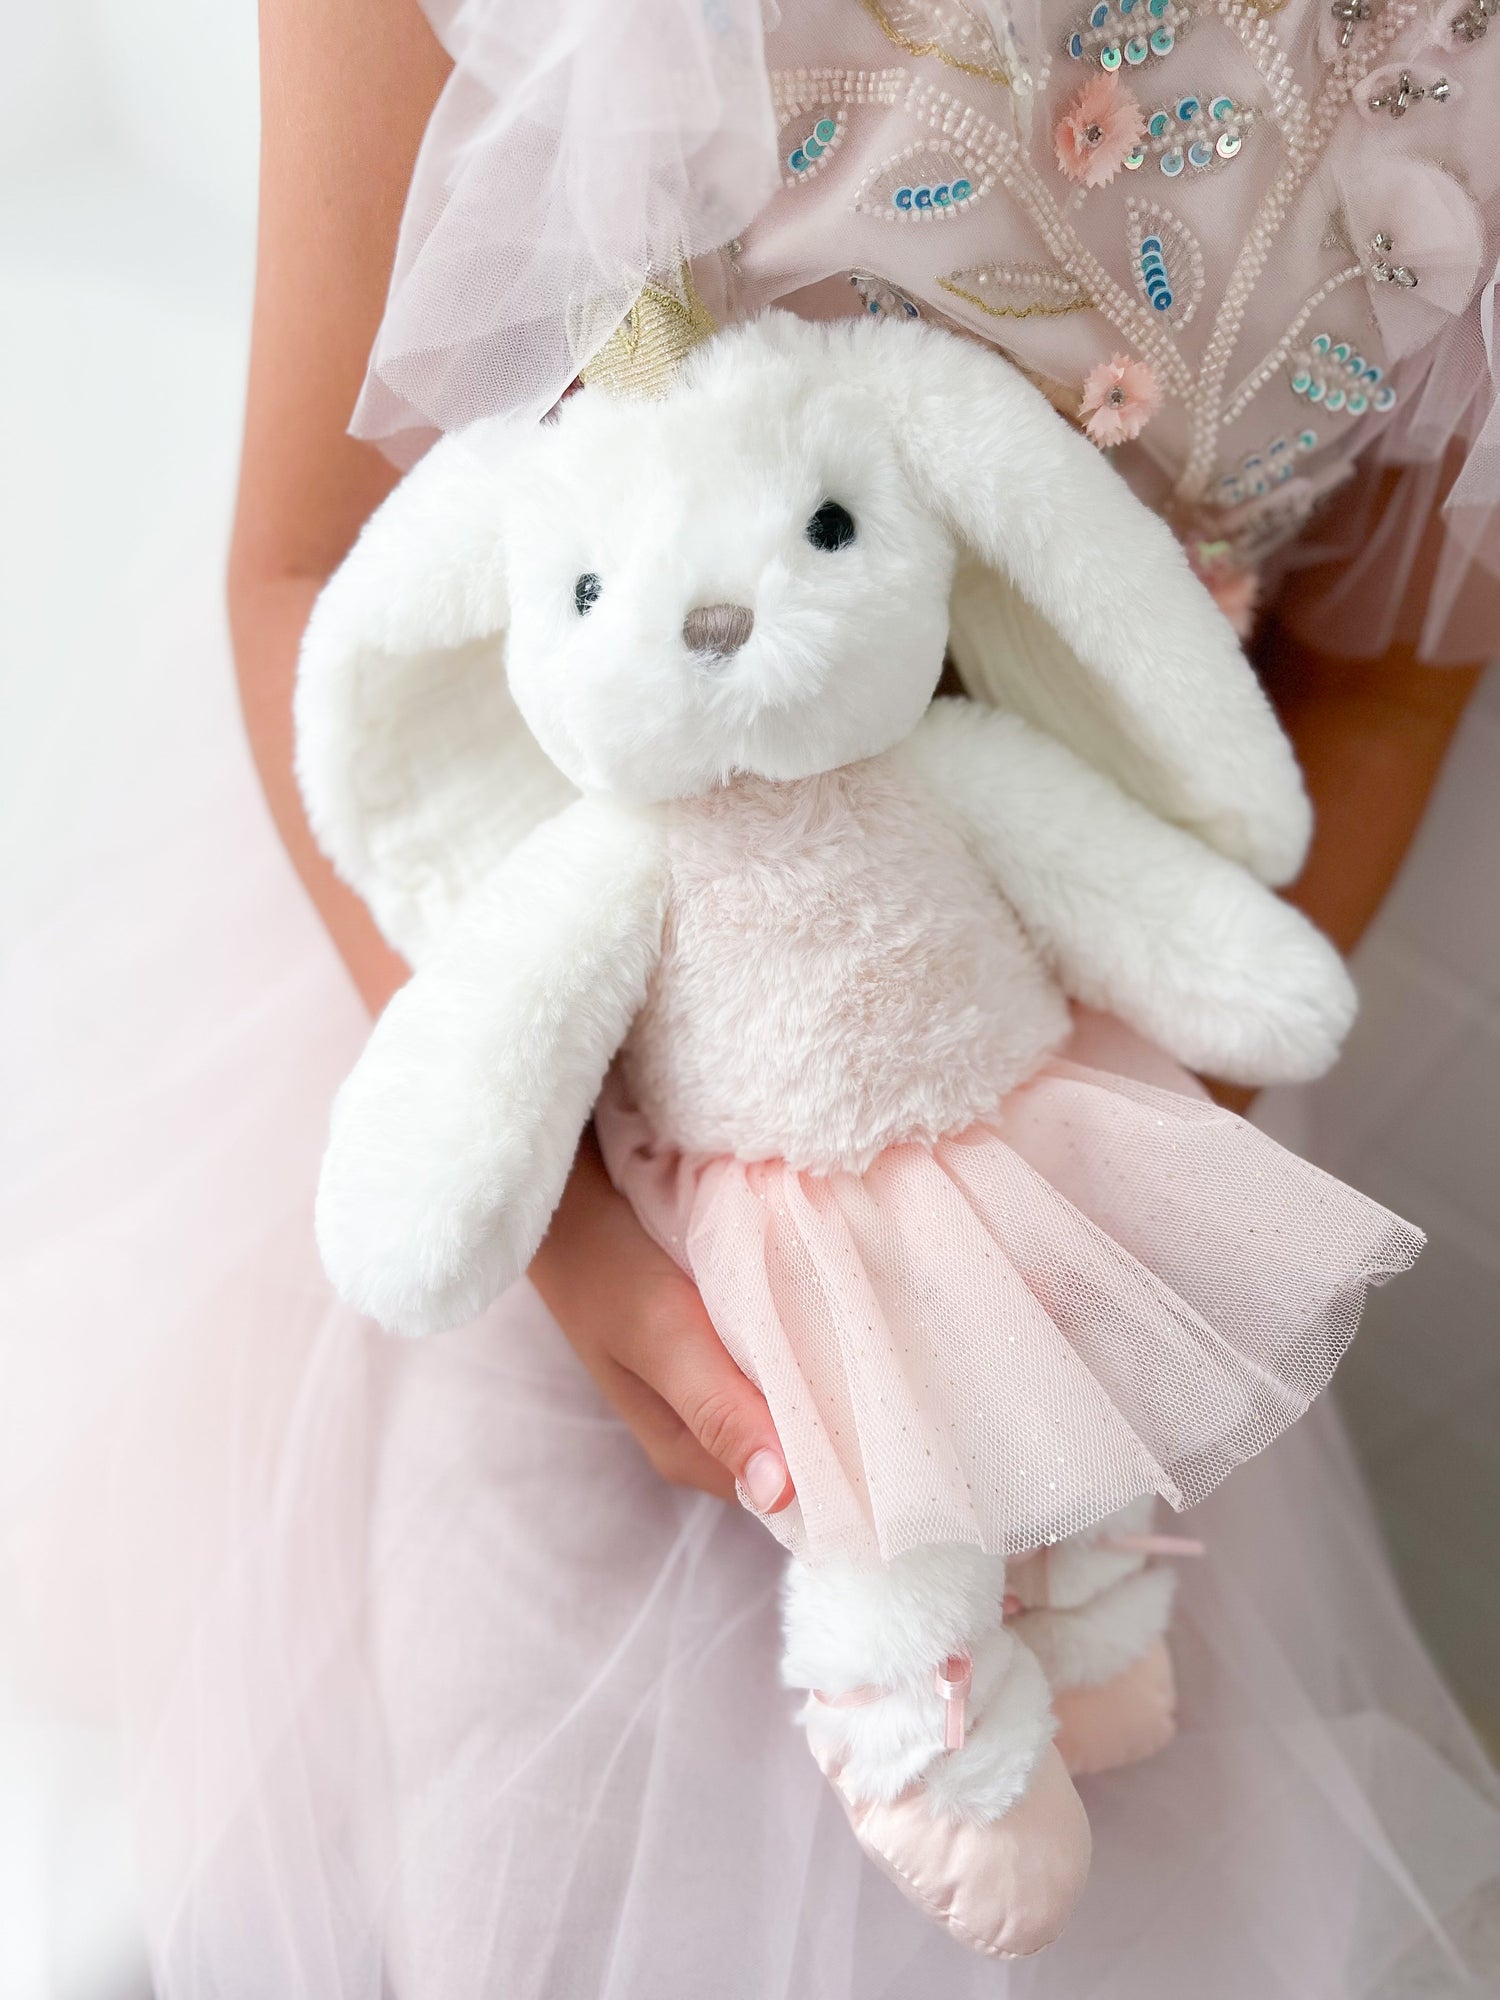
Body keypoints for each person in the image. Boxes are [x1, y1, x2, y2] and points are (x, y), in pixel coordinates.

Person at [63, 0, 1500, 1991]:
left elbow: (1386, 676)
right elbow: (313, 563)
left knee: (1099, 1844)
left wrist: (1087, 1199)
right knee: (532, 1865)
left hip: (1077, 1144)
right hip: (551, 1083)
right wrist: (583, 1252)